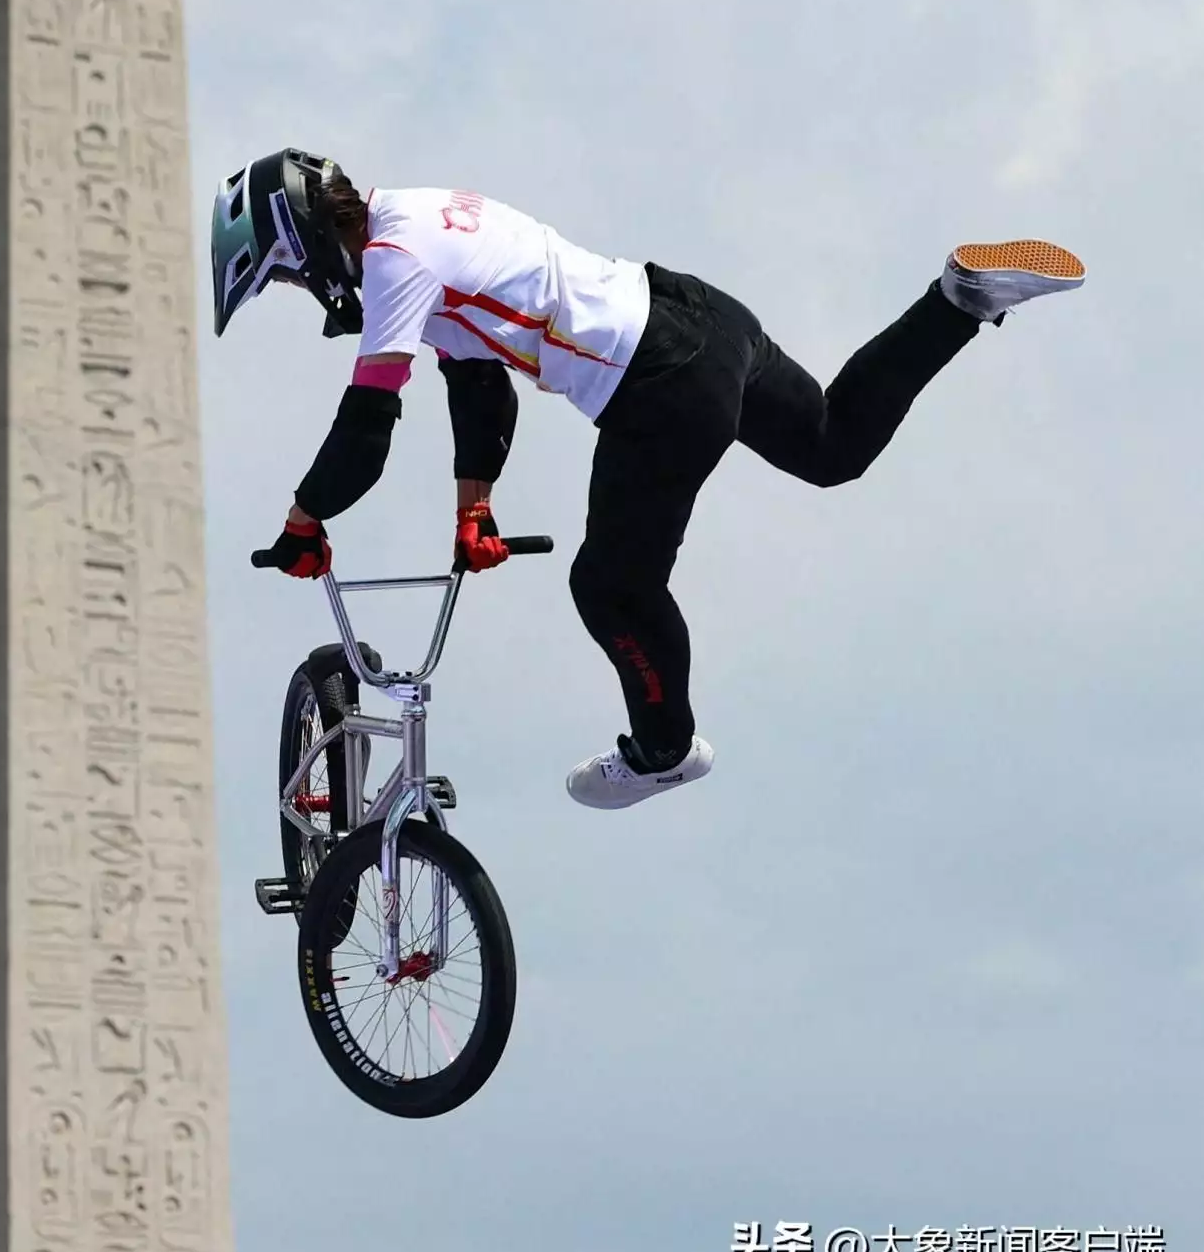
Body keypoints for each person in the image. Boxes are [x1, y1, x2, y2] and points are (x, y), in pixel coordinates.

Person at [211, 150, 1084, 811]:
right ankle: (958, 300)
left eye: (285, 274)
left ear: (304, 240)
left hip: (655, 382)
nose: (300, 287)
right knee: (830, 447)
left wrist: (303, 516)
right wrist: (473, 505)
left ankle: (663, 749)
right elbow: (475, 378)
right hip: (697, 315)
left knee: (611, 586)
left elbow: (368, 428)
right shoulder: (420, 213)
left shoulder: (392, 265)